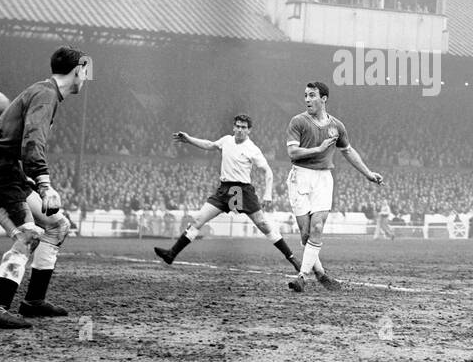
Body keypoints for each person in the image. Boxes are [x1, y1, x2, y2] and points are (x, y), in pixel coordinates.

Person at [0, 46, 91, 329]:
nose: (85, 77)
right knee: (29, 234)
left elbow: (21, 141)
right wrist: (45, 185)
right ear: (76, 70)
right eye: (85, 71)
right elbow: (33, 142)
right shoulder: (46, 95)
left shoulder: (44, 92)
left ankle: (33, 301)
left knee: (57, 226)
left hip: (7, 170)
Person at [152, 115, 300, 272]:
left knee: (263, 224)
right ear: (234, 127)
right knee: (198, 220)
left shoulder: (252, 149)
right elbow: (209, 145)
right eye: (238, 126)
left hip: (243, 191)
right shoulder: (226, 140)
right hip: (224, 190)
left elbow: (268, 171)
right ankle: (171, 254)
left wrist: (267, 194)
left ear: (249, 130)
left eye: (244, 127)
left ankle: (292, 258)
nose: (240, 130)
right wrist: (188, 139)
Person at [285, 81, 383, 291]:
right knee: (305, 233)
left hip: (323, 178)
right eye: (305, 95)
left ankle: (302, 276)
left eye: (312, 95)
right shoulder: (298, 121)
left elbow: (347, 150)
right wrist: (318, 149)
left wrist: (368, 174)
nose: (307, 99)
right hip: (300, 177)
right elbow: (293, 153)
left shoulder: (336, 126)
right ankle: (320, 274)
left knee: (318, 227)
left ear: (324, 99)